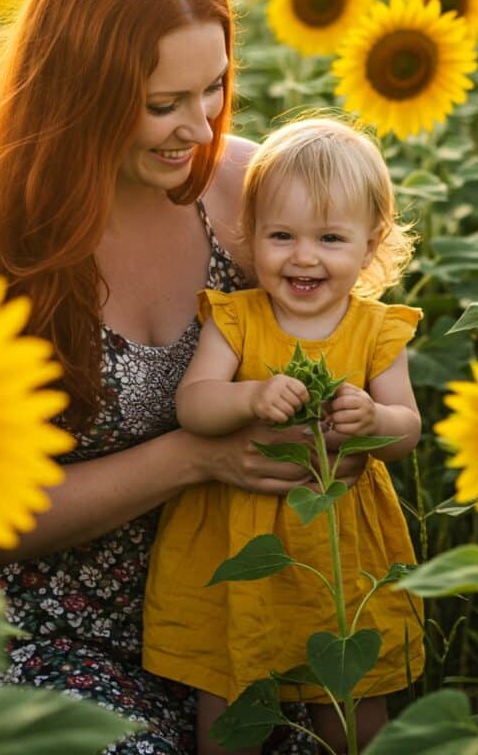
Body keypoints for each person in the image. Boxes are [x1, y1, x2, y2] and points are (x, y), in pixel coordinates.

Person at [0, 0, 369, 755]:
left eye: (215, 88)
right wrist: (194, 456)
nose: (199, 126)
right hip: (33, 636)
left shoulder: (248, 195)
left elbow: (355, 347)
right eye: (162, 104)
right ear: (78, 93)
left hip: (237, 609)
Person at [142, 117, 425, 755]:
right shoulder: (237, 319)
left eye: (329, 237)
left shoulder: (376, 331)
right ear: (250, 235)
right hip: (239, 541)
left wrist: (374, 422)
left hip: (341, 545)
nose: (303, 256)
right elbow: (195, 406)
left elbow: (407, 429)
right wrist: (248, 396)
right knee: (230, 689)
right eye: (281, 235)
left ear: (370, 243)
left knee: (349, 693)